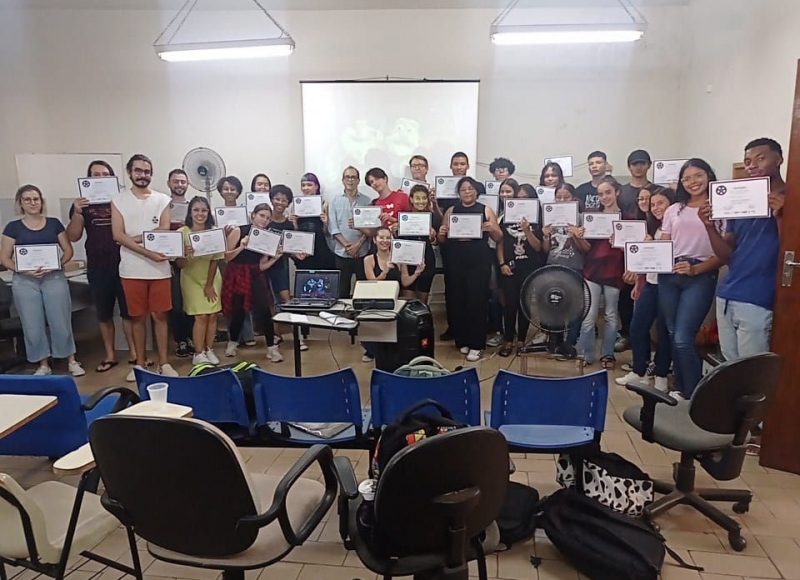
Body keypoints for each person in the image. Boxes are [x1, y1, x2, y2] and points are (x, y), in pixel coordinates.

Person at [700, 138, 785, 362]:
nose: (752, 165)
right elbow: (727, 254)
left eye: (760, 158)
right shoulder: (742, 201)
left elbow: (792, 252)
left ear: (779, 160)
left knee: (752, 371)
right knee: (729, 367)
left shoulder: (791, 198)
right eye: (748, 161)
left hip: (758, 297)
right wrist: (709, 227)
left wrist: (781, 216)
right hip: (727, 294)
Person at [0, 185, 85, 376]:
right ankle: (43, 364)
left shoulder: (54, 224)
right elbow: (4, 258)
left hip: (53, 277)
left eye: (36, 199)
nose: (32, 203)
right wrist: (24, 270)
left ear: (41, 201)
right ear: (20, 203)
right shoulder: (12, 227)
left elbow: (68, 250)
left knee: (61, 321)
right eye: (27, 199)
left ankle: (71, 360)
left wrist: (55, 264)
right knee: (32, 324)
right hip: (25, 281)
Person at [111, 154, 178, 381]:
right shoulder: (118, 200)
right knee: (137, 318)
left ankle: (164, 363)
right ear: (130, 172)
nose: (143, 175)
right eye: (138, 171)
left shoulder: (162, 199)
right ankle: (139, 364)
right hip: (131, 269)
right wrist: (146, 248)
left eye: (147, 171)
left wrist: (136, 238)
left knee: (160, 316)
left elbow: (164, 229)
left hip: (159, 269)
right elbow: (117, 235)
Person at [658, 159, 721, 400]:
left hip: (700, 275)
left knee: (683, 337)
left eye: (698, 175)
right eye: (687, 178)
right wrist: (646, 256)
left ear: (708, 175)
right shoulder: (675, 209)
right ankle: (681, 387)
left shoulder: (719, 208)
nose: (693, 182)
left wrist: (696, 270)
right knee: (675, 333)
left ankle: (695, 395)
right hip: (670, 274)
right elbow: (664, 243)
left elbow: (724, 253)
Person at [66, 160, 136, 373]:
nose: (100, 177)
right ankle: (110, 355)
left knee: (129, 313)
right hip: (97, 265)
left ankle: (135, 353)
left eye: (105, 174)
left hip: (125, 262)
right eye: (95, 174)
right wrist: (77, 212)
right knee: (103, 314)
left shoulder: (123, 200)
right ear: (88, 178)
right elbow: (73, 236)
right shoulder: (82, 204)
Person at [437, 177, 503, 362]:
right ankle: (462, 340)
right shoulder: (451, 210)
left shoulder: (485, 209)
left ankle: (477, 344)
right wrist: (442, 233)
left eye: (470, 188)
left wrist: (491, 228)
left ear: (476, 191)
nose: (467, 192)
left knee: (477, 300)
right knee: (457, 300)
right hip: (455, 259)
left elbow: (499, 237)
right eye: (463, 189)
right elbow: (442, 239)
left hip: (478, 260)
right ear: (458, 193)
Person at [616, 187, 675, 391]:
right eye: (653, 204)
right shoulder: (649, 228)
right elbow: (644, 258)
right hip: (649, 284)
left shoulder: (675, 227)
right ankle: (639, 370)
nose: (656, 208)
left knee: (663, 332)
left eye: (661, 203)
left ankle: (660, 374)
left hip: (669, 286)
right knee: (637, 327)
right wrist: (639, 283)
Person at [573, 176, 627, 369]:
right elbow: (587, 248)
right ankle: (586, 353)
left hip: (614, 272)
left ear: (617, 192)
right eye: (601, 194)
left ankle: (608, 354)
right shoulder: (593, 217)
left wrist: (620, 244)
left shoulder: (627, 218)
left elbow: (632, 248)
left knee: (611, 315)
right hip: (592, 271)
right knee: (588, 315)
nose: (604, 197)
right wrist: (578, 237)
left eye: (608, 192)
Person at [222, 203, 283, 363]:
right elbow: (227, 257)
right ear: (253, 215)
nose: (264, 220)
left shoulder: (267, 237)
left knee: (264, 310)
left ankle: (271, 348)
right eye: (262, 216)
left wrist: (275, 258)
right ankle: (232, 343)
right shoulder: (239, 230)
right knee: (238, 311)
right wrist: (242, 246)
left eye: (268, 218)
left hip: (255, 274)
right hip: (236, 274)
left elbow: (262, 265)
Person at [496, 179, 543, 357]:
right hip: (510, 267)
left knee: (525, 305)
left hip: (529, 268)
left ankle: (522, 340)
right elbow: (500, 242)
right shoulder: (507, 217)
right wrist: (502, 263)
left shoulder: (537, 219)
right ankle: (508, 340)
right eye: (519, 197)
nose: (521, 200)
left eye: (526, 198)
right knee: (509, 305)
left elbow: (538, 247)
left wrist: (527, 229)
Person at [175, 197, 223, 366]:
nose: (200, 214)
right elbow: (179, 264)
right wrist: (185, 254)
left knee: (212, 316)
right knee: (201, 316)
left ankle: (209, 349)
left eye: (204, 210)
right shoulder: (182, 233)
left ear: (208, 213)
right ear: (190, 212)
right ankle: (198, 352)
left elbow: (215, 260)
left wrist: (209, 285)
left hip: (212, 278)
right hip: (191, 279)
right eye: (196, 210)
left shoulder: (215, 231)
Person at [542, 184, 586, 359]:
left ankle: (570, 343)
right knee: (554, 304)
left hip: (574, 266)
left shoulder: (581, 218)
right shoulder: (550, 218)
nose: (561, 200)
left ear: (573, 198)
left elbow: (585, 249)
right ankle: (555, 341)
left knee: (574, 307)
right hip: (553, 266)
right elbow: (546, 249)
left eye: (565, 197)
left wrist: (576, 234)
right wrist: (546, 235)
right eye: (558, 197)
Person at [269, 185, 307, 351]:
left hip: (280, 266)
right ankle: (275, 335)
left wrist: (297, 254)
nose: (280, 202)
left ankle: (297, 337)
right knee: (269, 303)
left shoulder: (288, 223)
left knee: (286, 299)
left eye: (284, 200)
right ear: (271, 199)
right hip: (262, 266)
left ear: (288, 203)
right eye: (277, 199)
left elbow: (293, 247)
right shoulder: (264, 219)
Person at [438, 152, 470, 342]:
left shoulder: (474, 187)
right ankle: (453, 326)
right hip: (450, 245)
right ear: (451, 166)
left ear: (467, 166)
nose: (458, 167)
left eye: (462, 164)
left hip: (471, 247)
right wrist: (434, 203)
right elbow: (440, 215)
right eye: (455, 164)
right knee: (452, 288)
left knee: (471, 289)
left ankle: (470, 326)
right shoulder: (444, 190)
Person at [328, 166, 371, 297]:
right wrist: (348, 246)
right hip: (341, 252)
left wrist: (358, 245)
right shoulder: (334, 200)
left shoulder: (367, 201)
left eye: (353, 177)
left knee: (363, 290)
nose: (350, 180)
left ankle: (362, 316)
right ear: (343, 180)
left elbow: (370, 227)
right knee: (341, 291)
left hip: (362, 252)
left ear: (358, 181)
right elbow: (332, 227)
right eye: (347, 177)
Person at [393, 184, 440, 303]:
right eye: (417, 198)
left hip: (426, 261)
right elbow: (399, 243)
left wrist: (433, 238)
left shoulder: (433, 217)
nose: (421, 201)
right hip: (408, 262)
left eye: (424, 198)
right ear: (411, 199)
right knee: (408, 301)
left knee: (422, 302)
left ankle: (424, 322)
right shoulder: (404, 218)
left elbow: (437, 243)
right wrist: (394, 232)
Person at [166, 168, 194, 358]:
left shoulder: (194, 207)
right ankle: (180, 340)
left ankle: (192, 337)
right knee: (176, 304)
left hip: (192, 261)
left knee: (191, 302)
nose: (179, 185)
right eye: (176, 181)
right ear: (169, 183)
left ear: (188, 184)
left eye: (183, 182)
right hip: (170, 262)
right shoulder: (162, 206)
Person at [290, 172, 336, 271]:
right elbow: (296, 231)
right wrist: (293, 221)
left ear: (316, 186)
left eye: (309, 185)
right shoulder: (296, 205)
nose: (306, 188)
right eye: (303, 185)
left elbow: (327, 233)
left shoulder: (324, 204)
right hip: (303, 248)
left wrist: (325, 222)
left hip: (321, 247)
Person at [619, 150, 653, 215]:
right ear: (629, 167)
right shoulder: (620, 192)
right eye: (634, 164)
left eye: (643, 164)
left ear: (649, 165)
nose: (638, 167)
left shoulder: (657, 191)